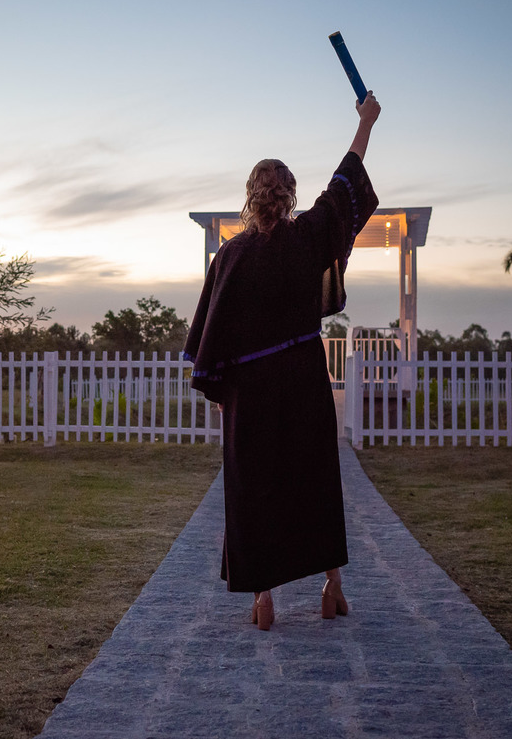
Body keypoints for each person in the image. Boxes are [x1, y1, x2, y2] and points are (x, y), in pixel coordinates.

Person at [182, 92, 381, 630]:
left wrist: (224, 396)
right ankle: (331, 588)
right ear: (290, 197)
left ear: (250, 197)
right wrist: (365, 123)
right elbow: (346, 185)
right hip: (302, 379)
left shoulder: (230, 255)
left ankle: (263, 597)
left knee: (257, 486)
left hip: (251, 390)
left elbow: (211, 338)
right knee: (313, 480)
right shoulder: (310, 235)